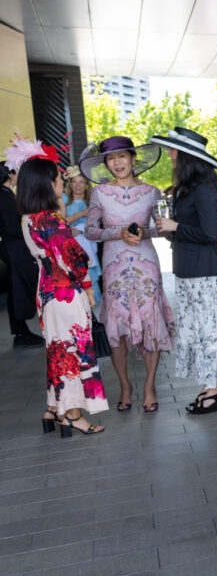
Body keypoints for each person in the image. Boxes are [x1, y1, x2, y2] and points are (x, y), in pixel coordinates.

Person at [4, 137, 107, 433]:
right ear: (46, 185)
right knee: (73, 350)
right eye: (58, 178)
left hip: (46, 292)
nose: (61, 182)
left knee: (58, 350)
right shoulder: (52, 219)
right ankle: (73, 414)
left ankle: (53, 409)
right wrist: (88, 287)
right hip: (66, 293)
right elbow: (74, 259)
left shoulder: (29, 218)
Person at [153, 128, 217, 414]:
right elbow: (188, 231)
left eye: (174, 150)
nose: (170, 155)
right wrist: (169, 229)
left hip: (205, 272)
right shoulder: (187, 188)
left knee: (211, 331)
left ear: (187, 156)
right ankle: (210, 387)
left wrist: (175, 226)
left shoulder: (204, 187)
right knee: (200, 331)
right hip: (188, 271)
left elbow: (208, 232)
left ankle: (215, 391)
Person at [82, 136, 174, 413]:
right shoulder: (99, 193)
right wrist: (116, 233)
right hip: (114, 268)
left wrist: (146, 232)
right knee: (117, 329)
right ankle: (125, 386)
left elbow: (163, 228)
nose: (117, 163)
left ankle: (149, 386)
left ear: (134, 159)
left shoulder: (151, 192)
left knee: (151, 325)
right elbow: (89, 230)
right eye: (111, 158)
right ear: (106, 164)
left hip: (147, 264)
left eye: (122, 156)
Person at [0, 160, 45, 348]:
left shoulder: (6, 194)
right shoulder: (4, 196)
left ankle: (21, 331)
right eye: (17, 172)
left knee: (17, 288)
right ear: (10, 174)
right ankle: (21, 333)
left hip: (12, 247)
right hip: (14, 247)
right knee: (20, 288)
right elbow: (12, 227)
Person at [62, 166, 101, 309]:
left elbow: (97, 224)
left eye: (82, 182)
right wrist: (82, 214)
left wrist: (79, 229)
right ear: (70, 184)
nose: (78, 185)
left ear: (86, 185)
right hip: (68, 246)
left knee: (89, 276)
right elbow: (61, 221)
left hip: (87, 245)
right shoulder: (64, 199)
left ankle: (92, 308)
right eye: (75, 182)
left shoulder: (92, 201)